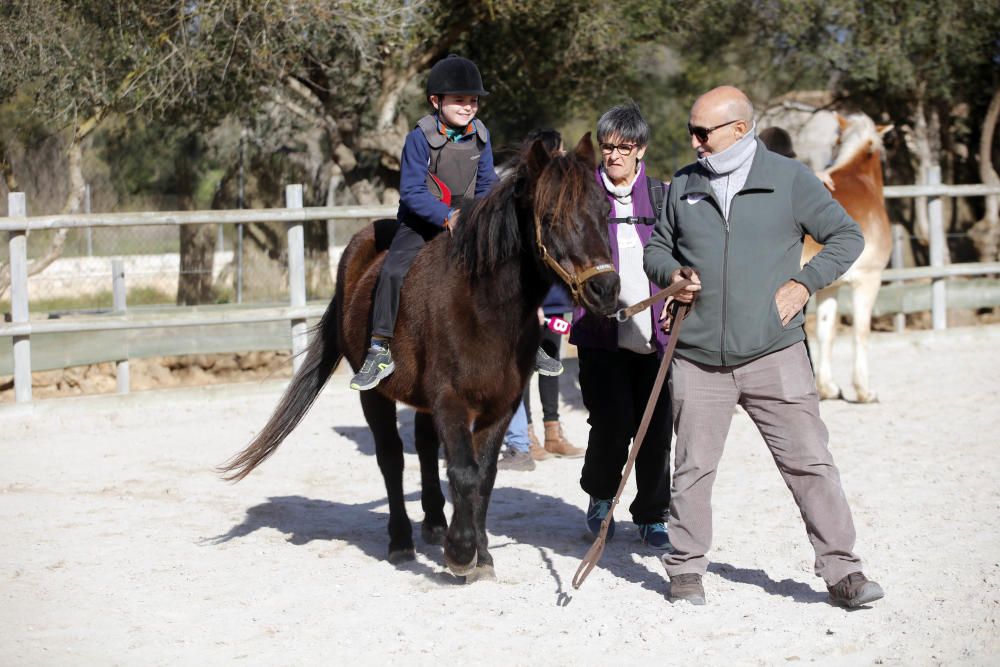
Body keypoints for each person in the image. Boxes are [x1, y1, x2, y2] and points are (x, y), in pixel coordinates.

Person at [643, 85, 884, 608]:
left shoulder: (790, 179)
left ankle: (844, 571)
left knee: (810, 463)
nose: (694, 141)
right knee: (692, 469)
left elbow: (847, 237)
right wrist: (671, 274)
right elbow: (657, 247)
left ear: (738, 129)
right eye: (691, 131)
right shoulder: (683, 183)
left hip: (775, 352)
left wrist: (804, 282)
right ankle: (685, 569)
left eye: (702, 132)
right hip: (698, 356)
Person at [350, 55, 561, 390]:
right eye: (460, 100)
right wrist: (445, 216)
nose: (468, 107)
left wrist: (489, 214)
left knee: (510, 265)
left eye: (473, 101)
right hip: (422, 221)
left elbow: (487, 182)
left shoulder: (481, 134)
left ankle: (526, 339)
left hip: (469, 218)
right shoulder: (419, 138)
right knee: (392, 270)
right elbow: (412, 191)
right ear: (436, 101)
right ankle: (379, 347)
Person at [569, 103, 672, 550]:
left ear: (640, 150)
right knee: (611, 426)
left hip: (657, 336)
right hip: (601, 335)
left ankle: (652, 515)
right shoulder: (583, 196)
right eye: (607, 146)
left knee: (656, 430)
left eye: (623, 148)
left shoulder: (663, 197)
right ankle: (601, 498)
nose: (613, 155)